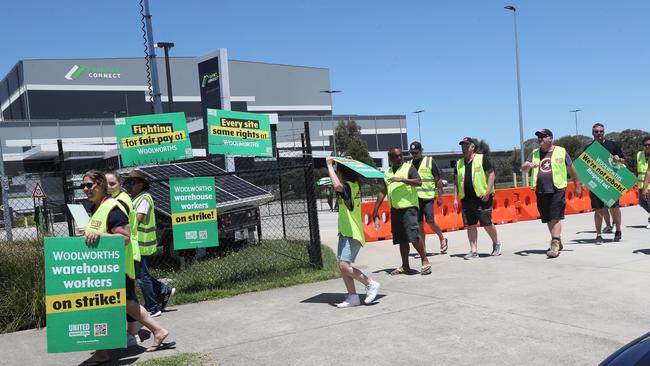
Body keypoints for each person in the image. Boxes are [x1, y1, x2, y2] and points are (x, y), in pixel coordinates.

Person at [79, 170, 174, 365]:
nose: (86, 189)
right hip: (105, 268)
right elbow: (100, 230)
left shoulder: (113, 207)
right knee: (127, 304)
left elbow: (125, 237)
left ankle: (102, 352)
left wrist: (100, 236)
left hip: (116, 268)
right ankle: (158, 331)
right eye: (84, 186)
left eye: (89, 185)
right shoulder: (96, 207)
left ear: (101, 185)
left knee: (108, 306)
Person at [326, 157, 380, 307]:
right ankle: (352, 296)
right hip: (345, 232)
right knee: (343, 266)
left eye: (338, 171)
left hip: (352, 233)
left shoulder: (350, 186)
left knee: (344, 266)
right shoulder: (350, 186)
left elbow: (336, 185)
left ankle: (370, 284)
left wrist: (329, 165)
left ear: (342, 172)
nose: (336, 173)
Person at [521, 129, 582, 258]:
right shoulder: (534, 153)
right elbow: (524, 168)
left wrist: (577, 185)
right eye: (539, 137)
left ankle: (554, 244)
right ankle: (557, 240)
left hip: (557, 189)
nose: (540, 139)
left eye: (543, 137)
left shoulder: (561, 151)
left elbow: (571, 168)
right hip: (541, 190)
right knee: (548, 218)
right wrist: (527, 165)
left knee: (555, 217)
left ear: (550, 138)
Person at [372, 147, 431, 275]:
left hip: (409, 208)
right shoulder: (387, 172)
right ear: (390, 159)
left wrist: (402, 179)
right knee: (401, 239)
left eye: (400, 155)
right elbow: (383, 191)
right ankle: (405, 266)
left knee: (414, 236)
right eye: (396, 156)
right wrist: (376, 209)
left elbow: (419, 182)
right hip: (395, 210)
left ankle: (425, 260)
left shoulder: (408, 168)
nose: (399, 158)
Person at [125, 170, 175, 317]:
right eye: (127, 182)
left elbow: (138, 218)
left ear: (141, 185)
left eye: (131, 182)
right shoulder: (134, 198)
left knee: (141, 277)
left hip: (142, 244)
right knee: (141, 275)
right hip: (135, 244)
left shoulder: (144, 198)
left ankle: (153, 307)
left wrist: (121, 225)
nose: (128, 185)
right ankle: (164, 290)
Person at [105, 171, 143, 347]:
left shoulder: (120, 202)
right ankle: (134, 330)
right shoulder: (122, 198)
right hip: (125, 252)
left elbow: (122, 231)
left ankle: (134, 334)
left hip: (126, 253)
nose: (109, 187)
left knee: (128, 297)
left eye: (112, 183)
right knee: (126, 296)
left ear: (120, 183)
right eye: (105, 184)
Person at [453, 137, 502, 260]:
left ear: (472, 147)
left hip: (482, 198)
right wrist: (455, 198)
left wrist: (488, 191)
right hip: (466, 200)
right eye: (462, 146)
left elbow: (491, 174)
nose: (464, 148)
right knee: (470, 225)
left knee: (486, 223)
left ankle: (496, 243)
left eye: (466, 145)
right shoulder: (458, 163)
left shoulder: (481, 159)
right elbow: (456, 182)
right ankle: (474, 251)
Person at [408, 141, 448, 254]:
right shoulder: (409, 164)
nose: (414, 155)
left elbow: (438, 179)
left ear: (421, 151)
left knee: (430, 221)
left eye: (416, 152)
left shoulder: (429, 161)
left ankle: (442, 238)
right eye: (412, 153)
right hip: (415, 199)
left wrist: (440, 196)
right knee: (419, 225)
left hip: (428, 198)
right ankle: (423, 250)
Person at [590, 123, 624, 243]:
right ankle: (598, 235)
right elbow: (582, 165)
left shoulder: (612, 145)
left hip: (611, 183)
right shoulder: (590, 148)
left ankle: (618, 230)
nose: (599, 134)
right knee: (598, 210)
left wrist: (618, 159)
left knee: (614, 208)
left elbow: (623, 160)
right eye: (596, 132)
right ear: (592, 133)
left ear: (604, 132)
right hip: (596, 183)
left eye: (601, 131)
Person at [636, 136, 650, 229]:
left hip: (648, 185)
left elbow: (649, 172)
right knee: (642, 203)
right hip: (641, 184)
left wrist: (645, 188)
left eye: (649, 145)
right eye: (646, 145)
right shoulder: (639, 154)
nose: (648, 146)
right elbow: (638, 169)